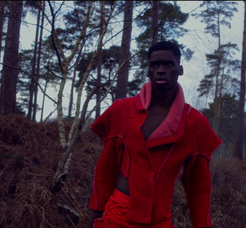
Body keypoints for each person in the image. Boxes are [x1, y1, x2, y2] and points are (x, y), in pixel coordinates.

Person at [87, 40, 222, 228]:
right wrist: (92, 220)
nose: (161, 70)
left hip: (158, 221)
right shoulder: (122, 110)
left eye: (168, 64)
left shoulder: (195, 124)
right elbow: (105, 171)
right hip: (116, 217)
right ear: (148, 71)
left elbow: (199, 189)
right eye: (155, 65)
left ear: (180, 69)